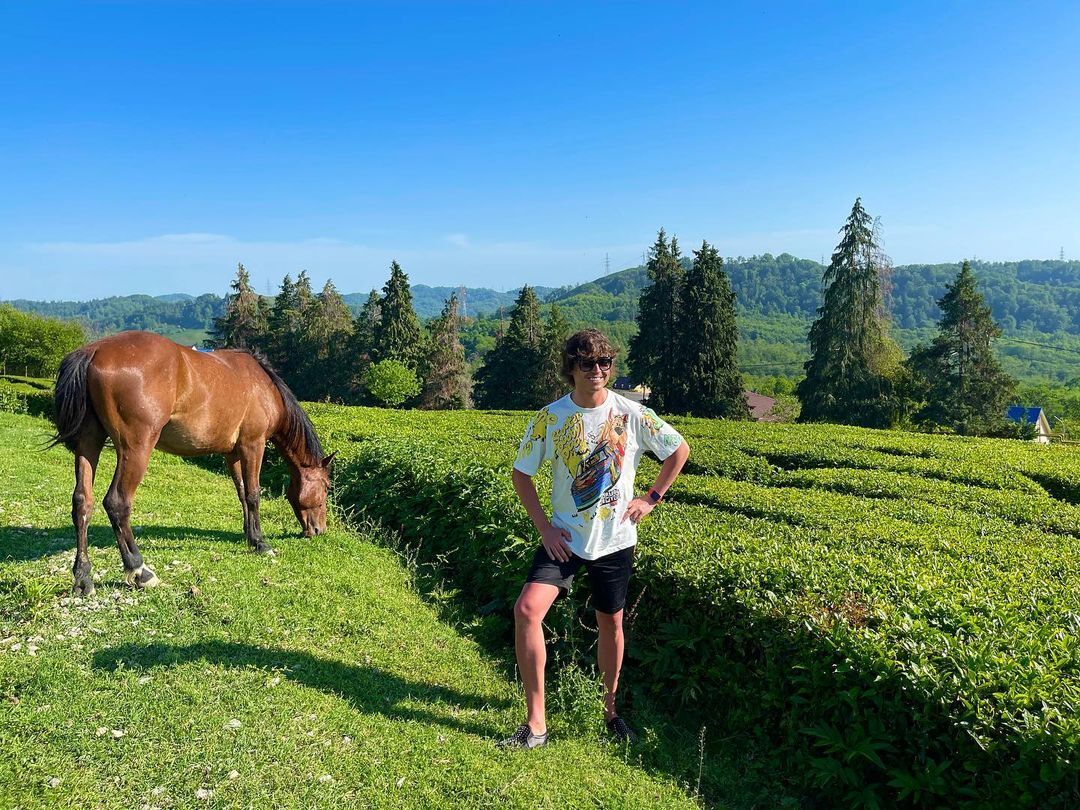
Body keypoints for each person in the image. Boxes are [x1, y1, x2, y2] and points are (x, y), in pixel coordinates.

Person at [498, 328, 690, 749]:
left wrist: (652, 498)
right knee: (527, 610)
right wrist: (544, 527)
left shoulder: (631, 413)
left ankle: (610, 711)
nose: (598, 370)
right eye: (588, 363)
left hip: (615, 539)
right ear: (571, 368)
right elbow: (521, 474)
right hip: (564, 538)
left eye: (604, 363)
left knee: (611, 622)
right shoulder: (551, 417)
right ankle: (536, 724)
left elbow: (679, 450)